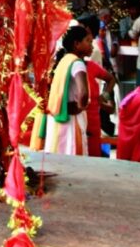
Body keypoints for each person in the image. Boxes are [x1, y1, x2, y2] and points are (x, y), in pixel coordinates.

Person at [43, 25, 91, 155]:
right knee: (74, 156)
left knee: (59, 154)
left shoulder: (64, 60)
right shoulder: (78, 63)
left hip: (59, 116)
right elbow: (83, 92)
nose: (91, 45)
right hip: (72, 118)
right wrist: (82, 106)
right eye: (88, 41)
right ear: (77, 44)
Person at [79, 15, 115, 158]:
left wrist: (103, 97)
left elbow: (108, 78)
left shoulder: (90, 50)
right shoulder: (90, 48)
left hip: (91, 99)